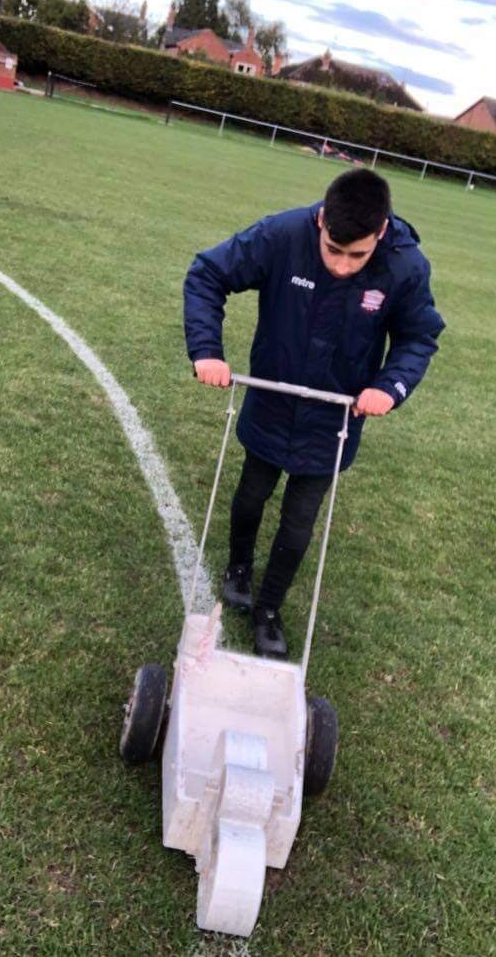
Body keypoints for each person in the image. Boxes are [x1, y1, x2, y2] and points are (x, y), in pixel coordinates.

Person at [183, 168, 445, 659]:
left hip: (334, 418)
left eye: (357, 255)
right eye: (333, 250)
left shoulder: (405, 267)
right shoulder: (282, 235)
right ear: (322, 220)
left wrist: (390, 387)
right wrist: (207, 350)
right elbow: (208, 274)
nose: (343, 265)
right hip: (272, 397)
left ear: (381, 232)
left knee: (299, 519)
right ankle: (238, 567)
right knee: (251, 493)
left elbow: (417, 337)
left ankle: (269, 608)